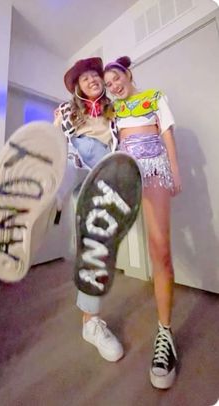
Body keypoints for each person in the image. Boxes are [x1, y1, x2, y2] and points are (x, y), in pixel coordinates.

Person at [54, 57, 141, 363]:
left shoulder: (113, 111)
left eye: (95, 75)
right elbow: (57, 148)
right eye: (85, 77)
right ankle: (50, 197)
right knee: (79, 154)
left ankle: (90, 324)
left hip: (108, 185)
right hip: (80, 176)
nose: (92, 79)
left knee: (98, 254)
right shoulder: (66, 114)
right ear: (76, 87)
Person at [104, 56, 182, 389]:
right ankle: (92, 321)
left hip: (154, 170)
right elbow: (109, 146)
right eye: (107, 83)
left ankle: (165, 335)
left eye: (115, 78)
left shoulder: (154, 97)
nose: (112, 85)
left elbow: (166, 132)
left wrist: (175, 170)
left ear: (128, 74)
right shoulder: (112, 113)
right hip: (124, 174)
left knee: (160, 249)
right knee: (103, 243)